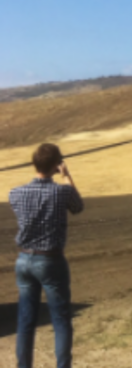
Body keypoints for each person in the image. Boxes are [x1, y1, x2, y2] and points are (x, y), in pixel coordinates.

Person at [9, 143, 84, 368]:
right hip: (50, 259)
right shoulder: (61, 191)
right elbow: (78, 206)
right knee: (60, 318)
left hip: (23, 259)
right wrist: (66, 176)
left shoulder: (15, 193)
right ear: (56, 165)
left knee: (25, 320)